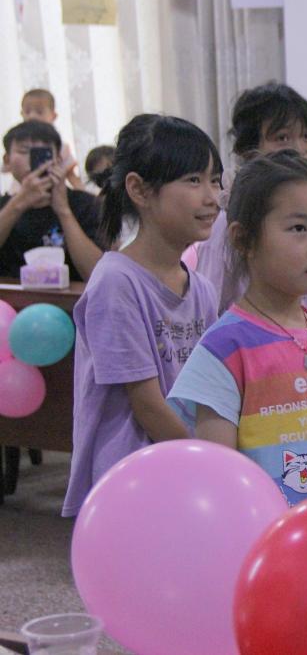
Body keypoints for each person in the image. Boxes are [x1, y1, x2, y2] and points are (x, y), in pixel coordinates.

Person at [169, 150, 307, 506]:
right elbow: (218, 474)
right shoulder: (224, 347)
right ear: (243, 239)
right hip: (264, 531)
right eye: (299, 228)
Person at [61, 114, 222, 517]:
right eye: (193, 180)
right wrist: (211, 462)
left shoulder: (202, 289)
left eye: (216, 181)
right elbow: (147, 405)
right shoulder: (116, 281)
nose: (212, 197)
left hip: (182, 465)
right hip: (131, 477)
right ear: (139, 189)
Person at [194, 82, 307, 320]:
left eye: (306, 136)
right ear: (248, 150)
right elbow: (205, 315)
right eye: (282, 137)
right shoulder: (225, 227)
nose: (299, 149)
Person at [0, 121, 101, 281]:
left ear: (58, 160)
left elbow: (97, 274)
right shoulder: (3, 206)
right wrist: (18, 204)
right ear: (7, 160)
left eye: (42, 153)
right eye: (24, 151)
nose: (32, 160)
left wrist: (63, 210)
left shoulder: (86, 204)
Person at [19, 88, 85, 191]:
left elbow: (71, 176)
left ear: (53, 116)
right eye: (27, 112)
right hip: (22, 193)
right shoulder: (18, 147)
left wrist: (86, 195)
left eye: (39, 112)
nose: (32, 116)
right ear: (21, 114)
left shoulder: (61, 147)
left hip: (53, 193)